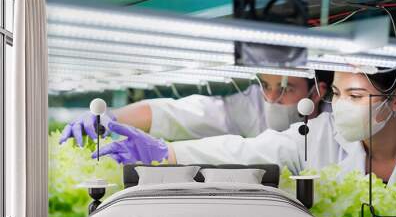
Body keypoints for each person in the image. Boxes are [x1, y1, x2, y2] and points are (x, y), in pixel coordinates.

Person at [93, 70, 396, 186]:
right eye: (337, 94)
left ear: (395, 100)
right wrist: (167, 152)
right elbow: (250, 149)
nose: (342, 106)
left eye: (355, 96)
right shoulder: (321, 134)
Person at [59, 71, 333, 146]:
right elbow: (179, 113)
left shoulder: (337, 120)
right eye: (265, 84)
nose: (271, 98)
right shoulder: (249, 104)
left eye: (285, 88)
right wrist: (110, 117)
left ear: (317, 92)